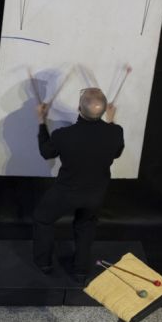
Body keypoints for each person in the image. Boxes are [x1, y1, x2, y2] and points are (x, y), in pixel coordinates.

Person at [33, 87, 124, 280]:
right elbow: (116, 152)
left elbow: (46, 152)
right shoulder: (115, 132)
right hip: (95, 194)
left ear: (78, 108)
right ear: (105, 109)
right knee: (85, 226)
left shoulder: (63, 135)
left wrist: (42, 121)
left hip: (66, 193)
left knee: (43, 219)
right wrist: (112, 120)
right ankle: (81, 271)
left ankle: (44, 264)